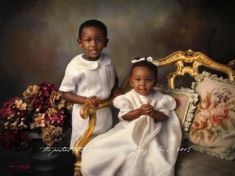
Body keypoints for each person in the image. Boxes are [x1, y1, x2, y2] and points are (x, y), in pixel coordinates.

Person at [81, 57, 182, 176]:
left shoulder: (159, 98)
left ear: (155, 82)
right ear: (131, 81)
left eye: (148, 80)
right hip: (128, 131)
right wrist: (139, 112)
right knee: (108, 150)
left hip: (151, 132)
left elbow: (165, 116)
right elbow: (125, 116)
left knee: (150, 156)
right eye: (138, 79)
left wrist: (153, 113)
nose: (142, 84)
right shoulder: (128, 97)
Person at [59, 19, 119, 149]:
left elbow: (114, 79)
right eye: (88, 40)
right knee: (86, 148)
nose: (93, 44)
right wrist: (86, 99)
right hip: (85, 117)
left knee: (105, 146)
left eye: (99, 40)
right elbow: (65, 93)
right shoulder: (75, 66)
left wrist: (115, 90)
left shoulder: (107, 60)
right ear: (80, 42)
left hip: (105, 113)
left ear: (106, 42)